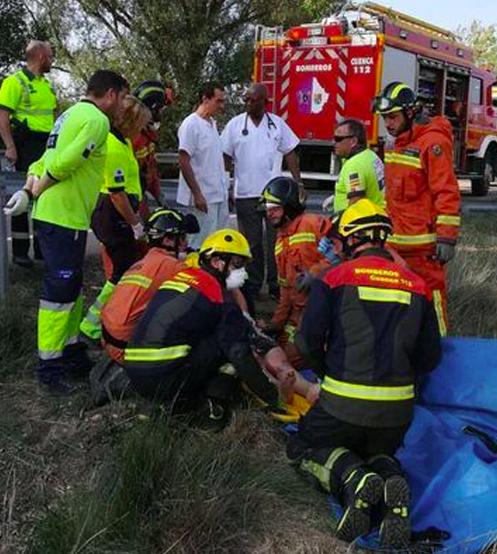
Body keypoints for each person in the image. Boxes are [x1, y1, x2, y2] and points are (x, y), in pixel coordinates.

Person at [287, 199, 441, 548]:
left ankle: (353, 478)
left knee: (302, 445)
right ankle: (388, 480)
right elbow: (431, 356)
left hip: (342, 404)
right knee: (377, 449)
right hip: (397, 415)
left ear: (352, 240)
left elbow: (307, 343)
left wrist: (330, 376)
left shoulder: (335, 277)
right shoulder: (416, 285)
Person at [4, 70, 129, 395]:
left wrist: (29, 187)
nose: (125, 106)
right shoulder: (97, 121)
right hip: (64, 216)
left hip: (57, 215)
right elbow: (64, 163)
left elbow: (41, 161)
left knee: (71, 288)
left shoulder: (67, 116)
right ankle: (49, 369)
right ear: (112, 93)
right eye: (124, 97)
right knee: (59, 295)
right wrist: (31, 193)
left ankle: (72, 353)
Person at [124, 228, 282, 429]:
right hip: (164, 380)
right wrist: (271, 395)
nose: (243, 271)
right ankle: (212, 408)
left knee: (214, 336)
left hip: (135, 372)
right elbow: (240, 354)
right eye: (238, 264)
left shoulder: (183, 277)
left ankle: (175, 399)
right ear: (217, 261)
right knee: (230, 349)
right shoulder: (219, 297)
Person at [372, 82, 460, 336]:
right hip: (395, 245)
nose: (387, 124)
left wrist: (446, 237)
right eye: (384, 118)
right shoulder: (394, 143)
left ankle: (442, 352)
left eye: (392, 117)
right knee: (399, 307)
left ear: (410, 113)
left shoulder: (433, 143)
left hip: (424, 249)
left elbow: (446, 191)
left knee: (431, 307)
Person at [89, 208, 199, 405]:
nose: (185, 243)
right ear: (167, 240)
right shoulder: (171, 265)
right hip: (125, 348)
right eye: (181, 238)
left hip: (109, 338)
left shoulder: (145, 261)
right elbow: (202, 281)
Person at [79, 95, 152, 341]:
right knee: (124, 270)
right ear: (130, 121)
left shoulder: (124, 143)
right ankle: (94, 322)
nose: (143, 129)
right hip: (114, 213)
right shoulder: (113, 144)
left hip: (120, 211)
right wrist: (135, 224)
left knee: (126, 268)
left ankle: (104, 319)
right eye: (141, 123)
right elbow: (117, 193)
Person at [221, 83, 302, 302]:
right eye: (246, 99)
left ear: (265, 102)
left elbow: (290, 152)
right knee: (252, 243)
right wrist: (226, 184)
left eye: (252, 100)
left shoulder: (277, 124)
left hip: (273, 197)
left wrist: (298, 183)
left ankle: (276, 284)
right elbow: (225, 158)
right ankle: (255, 285)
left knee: (276, 242)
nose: (248, 103)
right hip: (245, 194)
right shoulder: (235, 125)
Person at [0, 40, 57, 268]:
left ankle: (43, 251)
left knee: (45, 196)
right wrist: (10, 146)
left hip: (47, 143)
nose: (52, 60)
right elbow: (2, 115)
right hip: (26, 142)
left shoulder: (47, 85)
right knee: (24, 194)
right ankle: (21, 253)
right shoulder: (15, 82)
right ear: (41, 56)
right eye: (50, 55)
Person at [259, 176, 329, 368]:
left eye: (275, 209)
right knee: (273, 351)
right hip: (298, 314)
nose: (270, 214)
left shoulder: (312, 224)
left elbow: (340, 253)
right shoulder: (280, 243)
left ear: (289, 206)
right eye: (268, 210)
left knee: (287, 358)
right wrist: (275, 325)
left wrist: (315, 273)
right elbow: (285, 293)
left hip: (321, 309)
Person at [177, 81, 229, 250]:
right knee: (199, 244)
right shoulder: (191, 125)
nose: (222, 106)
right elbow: (184, 160)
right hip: (203, 197)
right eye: (218, 101)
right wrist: (197, 194)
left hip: (218, 194)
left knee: (216, 244)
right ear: (205, 99)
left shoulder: (212, 124)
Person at [131, 80, 174, 217]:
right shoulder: (132, 136)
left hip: (141, 200)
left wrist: (158, 196)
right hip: (130, 204)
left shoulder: (148, 134)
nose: (161, 113)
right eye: (160, 109)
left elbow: (150, 169)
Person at [331, 118, 385, 213]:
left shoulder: (354, 165)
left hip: (361, 224)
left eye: (338, 139)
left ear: (353, 141)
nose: (333, 142)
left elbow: (356, 202)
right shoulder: (370, 155)